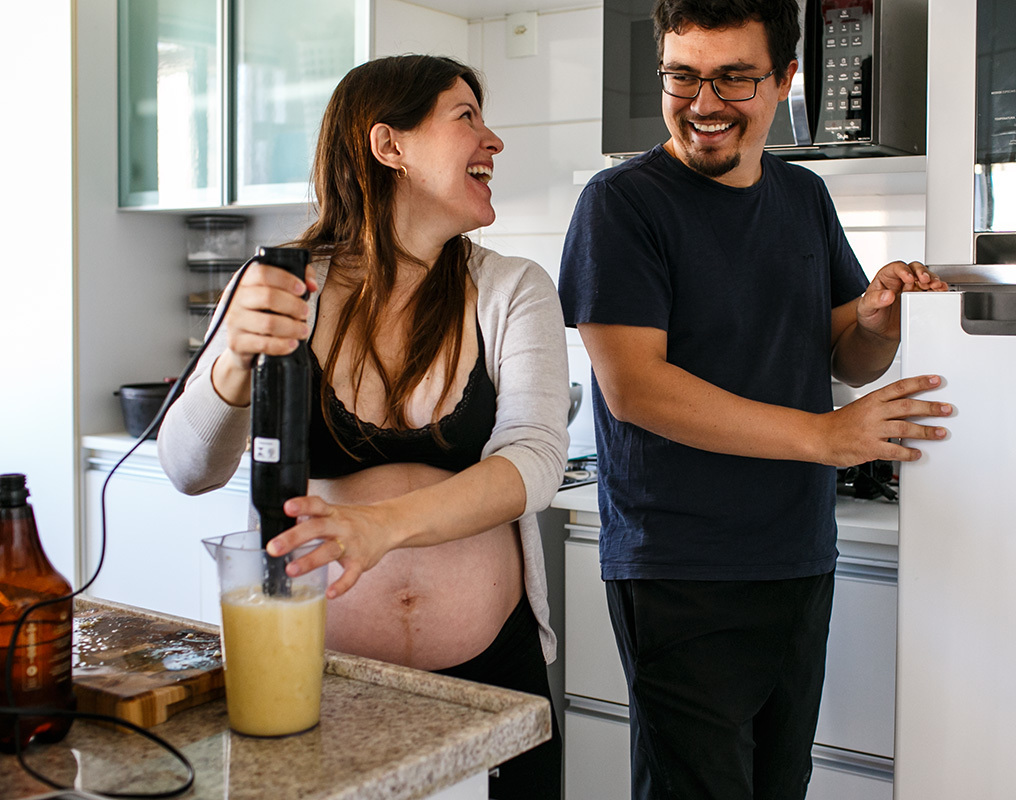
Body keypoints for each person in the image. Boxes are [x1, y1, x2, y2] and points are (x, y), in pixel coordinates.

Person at [556, 1, 953, 797]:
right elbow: (635, 388)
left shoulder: (803, 197)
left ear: (783, 83)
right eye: (683, 76)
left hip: (798, 554)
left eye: (735, 78)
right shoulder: (622, 204)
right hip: (681, 567)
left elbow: (851, 354)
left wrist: (878, 316)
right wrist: (826, 437)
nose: (704, 103)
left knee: (781, 785)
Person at [157, 55, 569, 800]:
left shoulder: (512, 290)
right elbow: (189, 468)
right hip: (316, 682)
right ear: (390, 146)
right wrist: (230, 368)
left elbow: (534, 460)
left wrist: (379, 528)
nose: (493, 140)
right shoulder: (279, 288)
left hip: (493, 682)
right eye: (465, 116)